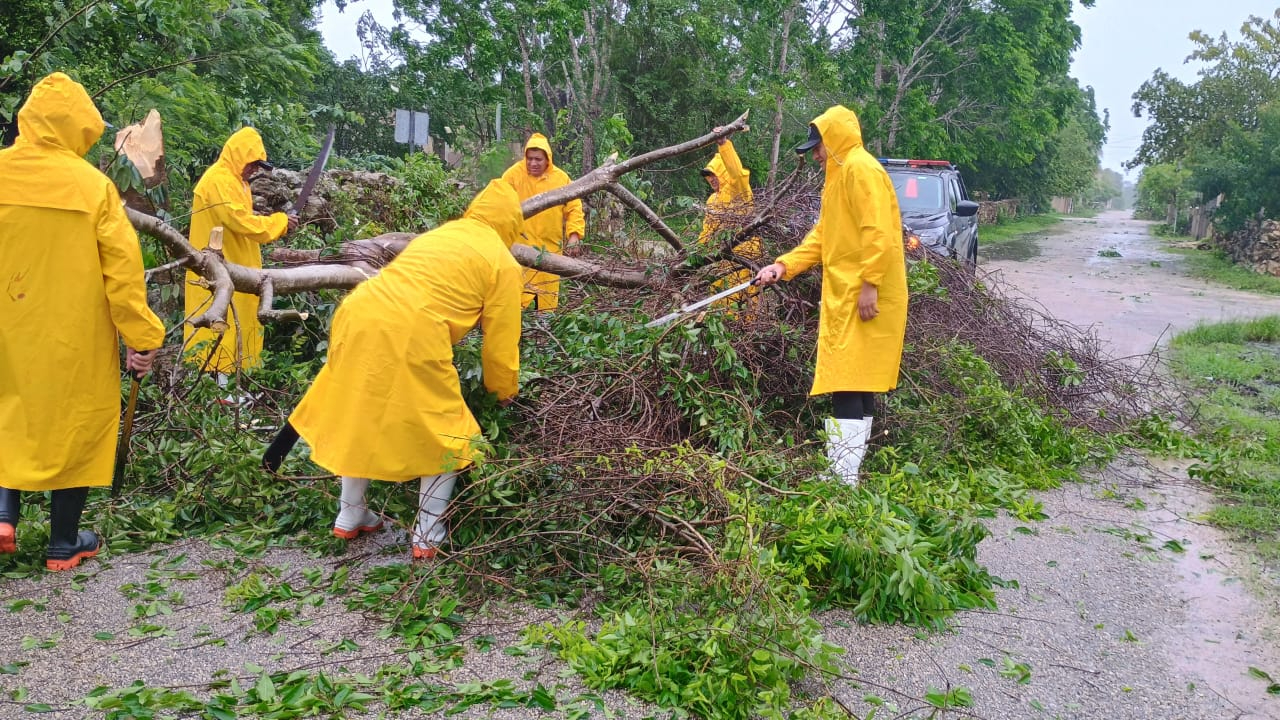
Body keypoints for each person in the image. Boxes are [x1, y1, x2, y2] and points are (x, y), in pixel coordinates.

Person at [287, 179, 524, 560]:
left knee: (359, 413)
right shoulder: (502, 262)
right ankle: (428, 532)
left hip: (359, 310)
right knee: (449, 432)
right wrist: (502, 393)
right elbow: (500, 345)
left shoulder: (442, 234)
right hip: (414, 329)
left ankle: (351, 514)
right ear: (512, 224)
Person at [0, 72, 165, 570]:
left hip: (8, 325)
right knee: (73, 420)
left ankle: (3, 516)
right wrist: (143, 336)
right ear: (76, 128)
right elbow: (122, 272)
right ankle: (63, 543)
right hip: (73, 335)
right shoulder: (93, 187)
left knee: (7, 412)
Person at [754, 105, 907, 484]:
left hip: (867, 293)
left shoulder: (861, 169)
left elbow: (880, 232)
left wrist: (871, 284)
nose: (816, 155)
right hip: (850, 293)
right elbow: (823, 237)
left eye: (818, 146)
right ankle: (848, 471)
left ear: (835, 138)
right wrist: (783, 266)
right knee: (857, 378)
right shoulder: (838, 178)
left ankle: (842, 477)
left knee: (846, 378)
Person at [183, 127, 297, 400]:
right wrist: (279, 222)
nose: (253, 170)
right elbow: (240, 221)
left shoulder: (235, 181)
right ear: (238, 157)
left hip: (236, 265)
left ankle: (231, 393)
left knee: (237, 327)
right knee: (218, 330)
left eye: (257, 166)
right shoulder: (219, 180)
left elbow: (239, 218)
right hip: (217, 270)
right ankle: (219, 398)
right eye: (251, 164)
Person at [501, 133, 585, 311]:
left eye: (538, 159)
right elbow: (496, 202)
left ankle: (545, 332)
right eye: (529, 158)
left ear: (547, 159)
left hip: (550, 250)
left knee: (546, 304)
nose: (533, 163)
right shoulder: (513, 176)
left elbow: (574, 208)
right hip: (519, 250)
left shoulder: (561, 179)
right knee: (516, 303)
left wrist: (574, 235)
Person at [698, 128, 763, 317]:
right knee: (720, 304)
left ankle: (747, 339)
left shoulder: (739, 189)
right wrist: (694, 255)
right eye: (708, 176)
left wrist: (723, 144)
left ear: (722, 172)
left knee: (746, 304)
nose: (711, 179)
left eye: (713, 174)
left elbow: (737, 173)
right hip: (722, 259)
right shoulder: (712, 200)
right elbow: (707, 230)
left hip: (745, 257)